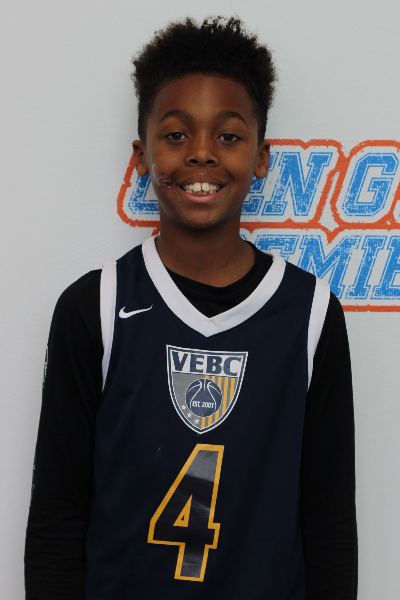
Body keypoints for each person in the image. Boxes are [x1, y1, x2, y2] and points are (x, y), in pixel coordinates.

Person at [25, 16, 357, 600]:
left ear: (261, 157)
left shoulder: (309, 314)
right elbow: (57, 519)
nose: (201, 154)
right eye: (176, 135)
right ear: (141, 154)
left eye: (228, 136)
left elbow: (328, 524)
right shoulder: (93, 306)